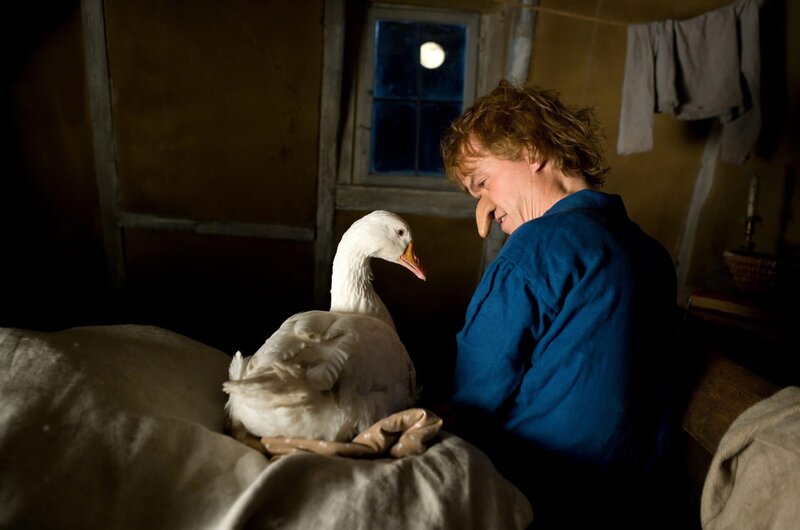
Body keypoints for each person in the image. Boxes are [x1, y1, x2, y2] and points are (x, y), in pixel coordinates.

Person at [439, 80, 684, 528]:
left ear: (532, 150)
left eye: (483, 183)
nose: (485, 207)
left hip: (540, 496)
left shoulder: (537, 246)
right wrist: (501, 200)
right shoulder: (651, 253)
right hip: (636, 501)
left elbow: (473, 396)